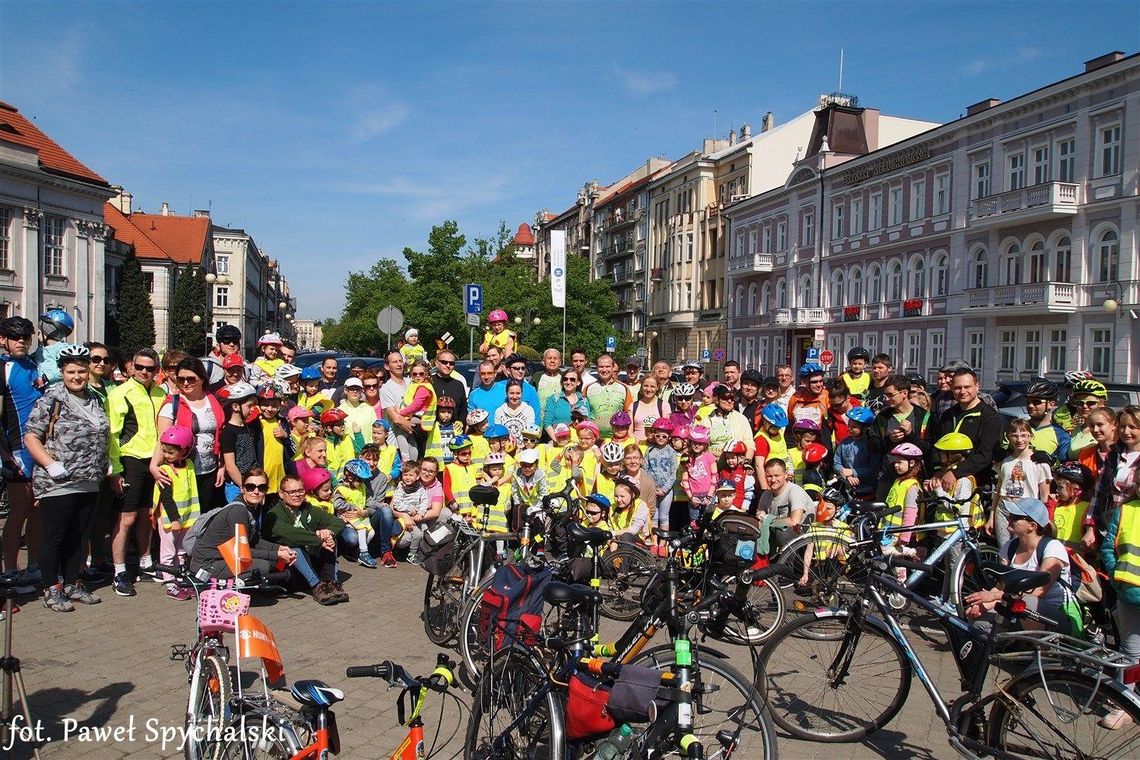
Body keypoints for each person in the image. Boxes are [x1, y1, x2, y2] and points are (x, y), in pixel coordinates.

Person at [25, 345, 108, 611]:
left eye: (81, 371)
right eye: (71, 371)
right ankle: (52, 587)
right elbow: (31, 436)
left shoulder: (95, 398)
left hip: (89, 478)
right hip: (59, 481)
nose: (76, 376)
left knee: (78, 535)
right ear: (62, 372)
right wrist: (50, 465)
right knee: (55, 536)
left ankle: (73, 582)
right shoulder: (52, 398)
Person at [106, 348, 168, 597]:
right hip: (130, 460)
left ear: (157, 370)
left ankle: (145, 561)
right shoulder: (121, 393)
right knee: (126, 518)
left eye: (150, 368)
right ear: (131, 366)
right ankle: (119, 571)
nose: (144, 372)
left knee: (147, 515)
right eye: (140, 367)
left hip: (155, 460)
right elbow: (112, 433)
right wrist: (115, 469)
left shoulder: (161, 392)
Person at [966, 497, 1075, 635]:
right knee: (978, 619)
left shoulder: (1053, 547)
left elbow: (1039, 592)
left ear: (1032, 526)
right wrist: (982, 605)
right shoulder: (1010, 546)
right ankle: (1000, 652)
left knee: (1028, 602)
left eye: (1016, 517)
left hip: (1055, 615)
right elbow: (1001, 586)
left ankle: (1038, 651)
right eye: (1010, 515)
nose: (1009, 518)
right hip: (1016, 609)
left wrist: (993, 597)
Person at [0, 316, 44, 590]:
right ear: (3, 339)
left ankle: (34, 566)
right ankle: (9, 569)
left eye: (26, 338)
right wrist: (6, 456)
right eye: (16, 337)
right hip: (16, 449)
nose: (21, 342)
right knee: (18, 511)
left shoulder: (34, 366)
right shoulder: (3, 368)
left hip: (38, 449)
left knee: (38, 511)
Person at [188, 468, 296, 580]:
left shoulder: (253, 507)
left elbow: (254, 541)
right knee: (264, 565)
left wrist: (279, 548)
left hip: (225, 557)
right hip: (207, 565)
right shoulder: (238, 511)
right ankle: (229, 587)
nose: (256, 491)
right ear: (242, 489)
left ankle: (272, 584)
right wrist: (277, 554)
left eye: (261, 487)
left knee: (276, 561)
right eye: (250, 487)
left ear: (266, 490)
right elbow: (241, 551)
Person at [152, 357, 226, 516]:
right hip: (182, 471)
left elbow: (218, 435)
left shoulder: (212, 400)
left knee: (204, 516)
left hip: (209, 469)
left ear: (202, 379)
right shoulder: (173, 404)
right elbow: (163, 440)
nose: (185, 383)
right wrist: (154, 465)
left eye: (191, 379)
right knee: (183, 518)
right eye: (181, 379)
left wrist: (221, 466)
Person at [264, 473, 347, 605]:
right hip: (285, 565)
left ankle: (330, 583)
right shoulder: (273, 514)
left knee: (330, 538)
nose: (297, 495)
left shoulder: (308, 509)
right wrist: (319, 539)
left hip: (310, 559)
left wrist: (328, 533)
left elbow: (338, 522)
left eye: (300, 490)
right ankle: (317, 586)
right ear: (281, 493)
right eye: (292, 492)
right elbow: (290, 534)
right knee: (293, 546)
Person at [928, 367, 1003, 498]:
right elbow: (936, 446)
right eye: (958, 387)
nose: (963, 391)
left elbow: (985, 455)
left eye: (967, 387)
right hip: (945, 486)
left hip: (976, 487)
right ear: (952, 388)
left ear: (977, 386)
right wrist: (938, 471)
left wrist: (955, 472)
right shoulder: (947, 415)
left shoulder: (990, 417)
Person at [1100, 490, 1140, 729]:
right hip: (1130, 595)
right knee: (1130, 654)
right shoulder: (1126, 510)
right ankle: (1125, 705)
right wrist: (1117, 579)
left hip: (1127, 592)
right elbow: (1107, 547)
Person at [151, 426, 201, 600]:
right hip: (170, 519)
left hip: (187, 517)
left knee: (181, 551)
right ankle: (169, 584)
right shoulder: (164, 470)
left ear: (185, 451)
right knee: (168, 552)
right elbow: (166, 498)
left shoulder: (189, 465)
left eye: (170, 452)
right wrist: (174, 519)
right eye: (164, 451)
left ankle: (179, 578)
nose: (165, 455)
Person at [869, 375, 931, 500]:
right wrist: (889, 439)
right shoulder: (882, 417)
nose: (886, 399)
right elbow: (871, 445)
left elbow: (929, 449)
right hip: (887, 478)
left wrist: (911, 435)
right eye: (885, 395)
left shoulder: (924, 417)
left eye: (891, 395)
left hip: (914, 480)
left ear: (904, 393)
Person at [989, 418, 1052, 540]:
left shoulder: (1039, 463)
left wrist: (1043, 520)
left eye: (1023, 435)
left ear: (1031, 436)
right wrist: (991, 516)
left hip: (1026, 510)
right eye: (1015, 436)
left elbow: (1045, 496)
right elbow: (998, 490)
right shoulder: (1004, 461)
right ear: (1008, 437)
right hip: (1003, 508)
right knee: (1005, 549)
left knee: (1023, 547)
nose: (1019, 440)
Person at [756, 458, 815, 551]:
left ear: (786, 475)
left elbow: (794, 521)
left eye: (777, 475)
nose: (773, 480)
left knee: (782, 533)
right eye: (769, 476)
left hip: (802, 532)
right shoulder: (766, 495)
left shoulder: (795, 491)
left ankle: (787, 565)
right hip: (777, 532)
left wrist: (767, 519)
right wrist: (763, 519)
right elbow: (760, 519)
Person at [219, 382, 264, 502]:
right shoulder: (228, 432)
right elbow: (230, 465)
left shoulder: (247, 426)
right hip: (237, 485)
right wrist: (244, 486)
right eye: (249, 406)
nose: (253, 409)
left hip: (252, 483)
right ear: (235, 407)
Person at [798, 487, 849, 588]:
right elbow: (809, 551)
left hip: (837, 566)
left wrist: (837, 548)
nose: (824, 511)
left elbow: (844, 552)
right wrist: (805, 574)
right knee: (803, 588)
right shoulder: (814, 527)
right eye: (822, 507)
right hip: (820, 565)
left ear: (837, 509)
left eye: (829, 509)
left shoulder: (844, 528)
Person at [333, 459, 377, 568]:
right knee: (360, 531)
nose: (362, 482)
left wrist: (367, 511)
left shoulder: (362, 487)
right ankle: (363, 553)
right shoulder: (341, 488)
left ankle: (358, 551)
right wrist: (352, 507)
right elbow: (337, 504)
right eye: (360, 480)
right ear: (350, 477)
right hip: (347, 520)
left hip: (360, 518)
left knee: (371, 533)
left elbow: (370, 503)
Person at [645, 418, 679, 556]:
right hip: (652, 489)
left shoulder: (671, 452)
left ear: (669, 437)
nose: (660, 438)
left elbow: (673, 474)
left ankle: (663, 544)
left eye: (664, 436)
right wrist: (651, 487)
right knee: (653, 516)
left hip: (666, 490)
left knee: (664, 517)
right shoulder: (649, 450)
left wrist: (664, 489)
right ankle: (653, 542)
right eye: (657, 435)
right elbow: (645, 469)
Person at [380, 350, 418, 462]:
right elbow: (396, 419)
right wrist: (420, 430)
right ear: (387, 366)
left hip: (413, 440)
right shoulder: (386, 389)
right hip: (396, 444)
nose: (399, 364)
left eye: (400, 361)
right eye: (395, 362)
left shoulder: (411, 382)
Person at [1052, 462, 1095, 552]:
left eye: (1060, 487)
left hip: (1075, 560)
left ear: (1075, 489)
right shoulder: (1056, 505)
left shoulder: (1087, 509)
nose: (1057, 490)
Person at [587, 354, 632, 439]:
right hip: (593, 439)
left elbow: (629, 415)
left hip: (617, 439)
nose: (604, 370)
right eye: (601, 366)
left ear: (613, 368)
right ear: (597, 368)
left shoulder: (623, 388)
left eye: (607, 366)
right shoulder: (588, 388)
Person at [1023, 380, 1071, 461]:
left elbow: (1064, 464)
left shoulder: (1061, 435)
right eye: (1028, 402)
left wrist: (1051, 460)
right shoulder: (1016, 427)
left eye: (1036, 402)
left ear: (1051, 404)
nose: (1030, 405)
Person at [704, 384, 753, 457]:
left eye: (732, 398)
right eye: (725, 398)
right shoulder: (707, 420)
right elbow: (700, 445)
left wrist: (747, 461)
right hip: (712, 463)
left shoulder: (741, 419)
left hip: (735, 463)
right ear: (717, 399)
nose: (729, 401)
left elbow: (749, 444)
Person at [681, 426, 717, 523]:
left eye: (700, 443)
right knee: (694, 522)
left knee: (709, 521)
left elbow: (714, 477)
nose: (697, 446)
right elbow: (685, 480)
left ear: (705, 445)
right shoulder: (687, 459)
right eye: (694, 442)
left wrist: (709, 496)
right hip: (694, 496)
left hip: (708, 494)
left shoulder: (709, 457)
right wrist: (691, 497)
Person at [542, 369, 592, 438]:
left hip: (579, 443)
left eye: (572, 379)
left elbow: (587, 423)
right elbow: (547, 423)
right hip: (558, 441)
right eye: (565, 379)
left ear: (578, 382)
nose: (568, 382)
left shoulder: (584, 401)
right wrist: (557, 441)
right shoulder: (554, 399)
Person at [753, 404, 793, 484]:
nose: (777, 429)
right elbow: (759, 466)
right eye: (774, 427)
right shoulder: (761, 439)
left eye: (779, 427)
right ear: (765, 422)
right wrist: (765, 489)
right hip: (773, 482)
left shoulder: (780, 432)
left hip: (785, 478)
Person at [430, 349, 468, 423]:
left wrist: (461, 423)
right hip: (432, 431)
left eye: (451, 363)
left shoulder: (458, 385)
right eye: (444, 362)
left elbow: (463, 412)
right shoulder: (429, 383)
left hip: (454, 431)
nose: (448, 365)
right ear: (437, 363)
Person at [495, 380, 535, 446]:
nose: (515, 396)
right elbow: (498, 434)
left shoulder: (528, 410)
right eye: (512, 393)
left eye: (518, 393)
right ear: (506, 393)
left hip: (523, 448)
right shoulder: (499, 411)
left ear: (522, 393)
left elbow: (530, 434)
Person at [532, 349, 564, 417]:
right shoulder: (537, 376)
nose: (552, 361)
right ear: (543, 362)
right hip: (540, 418)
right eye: (549, 358)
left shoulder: (565, 377)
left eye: (555, 358)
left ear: (560, 362)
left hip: (559, 421)